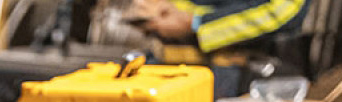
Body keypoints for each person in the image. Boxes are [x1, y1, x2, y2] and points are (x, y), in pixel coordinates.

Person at [130, 0, 309, 54]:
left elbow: (282, 11)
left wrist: (195, 22)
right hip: (179, 54)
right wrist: (169, 8)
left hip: (248, 71)